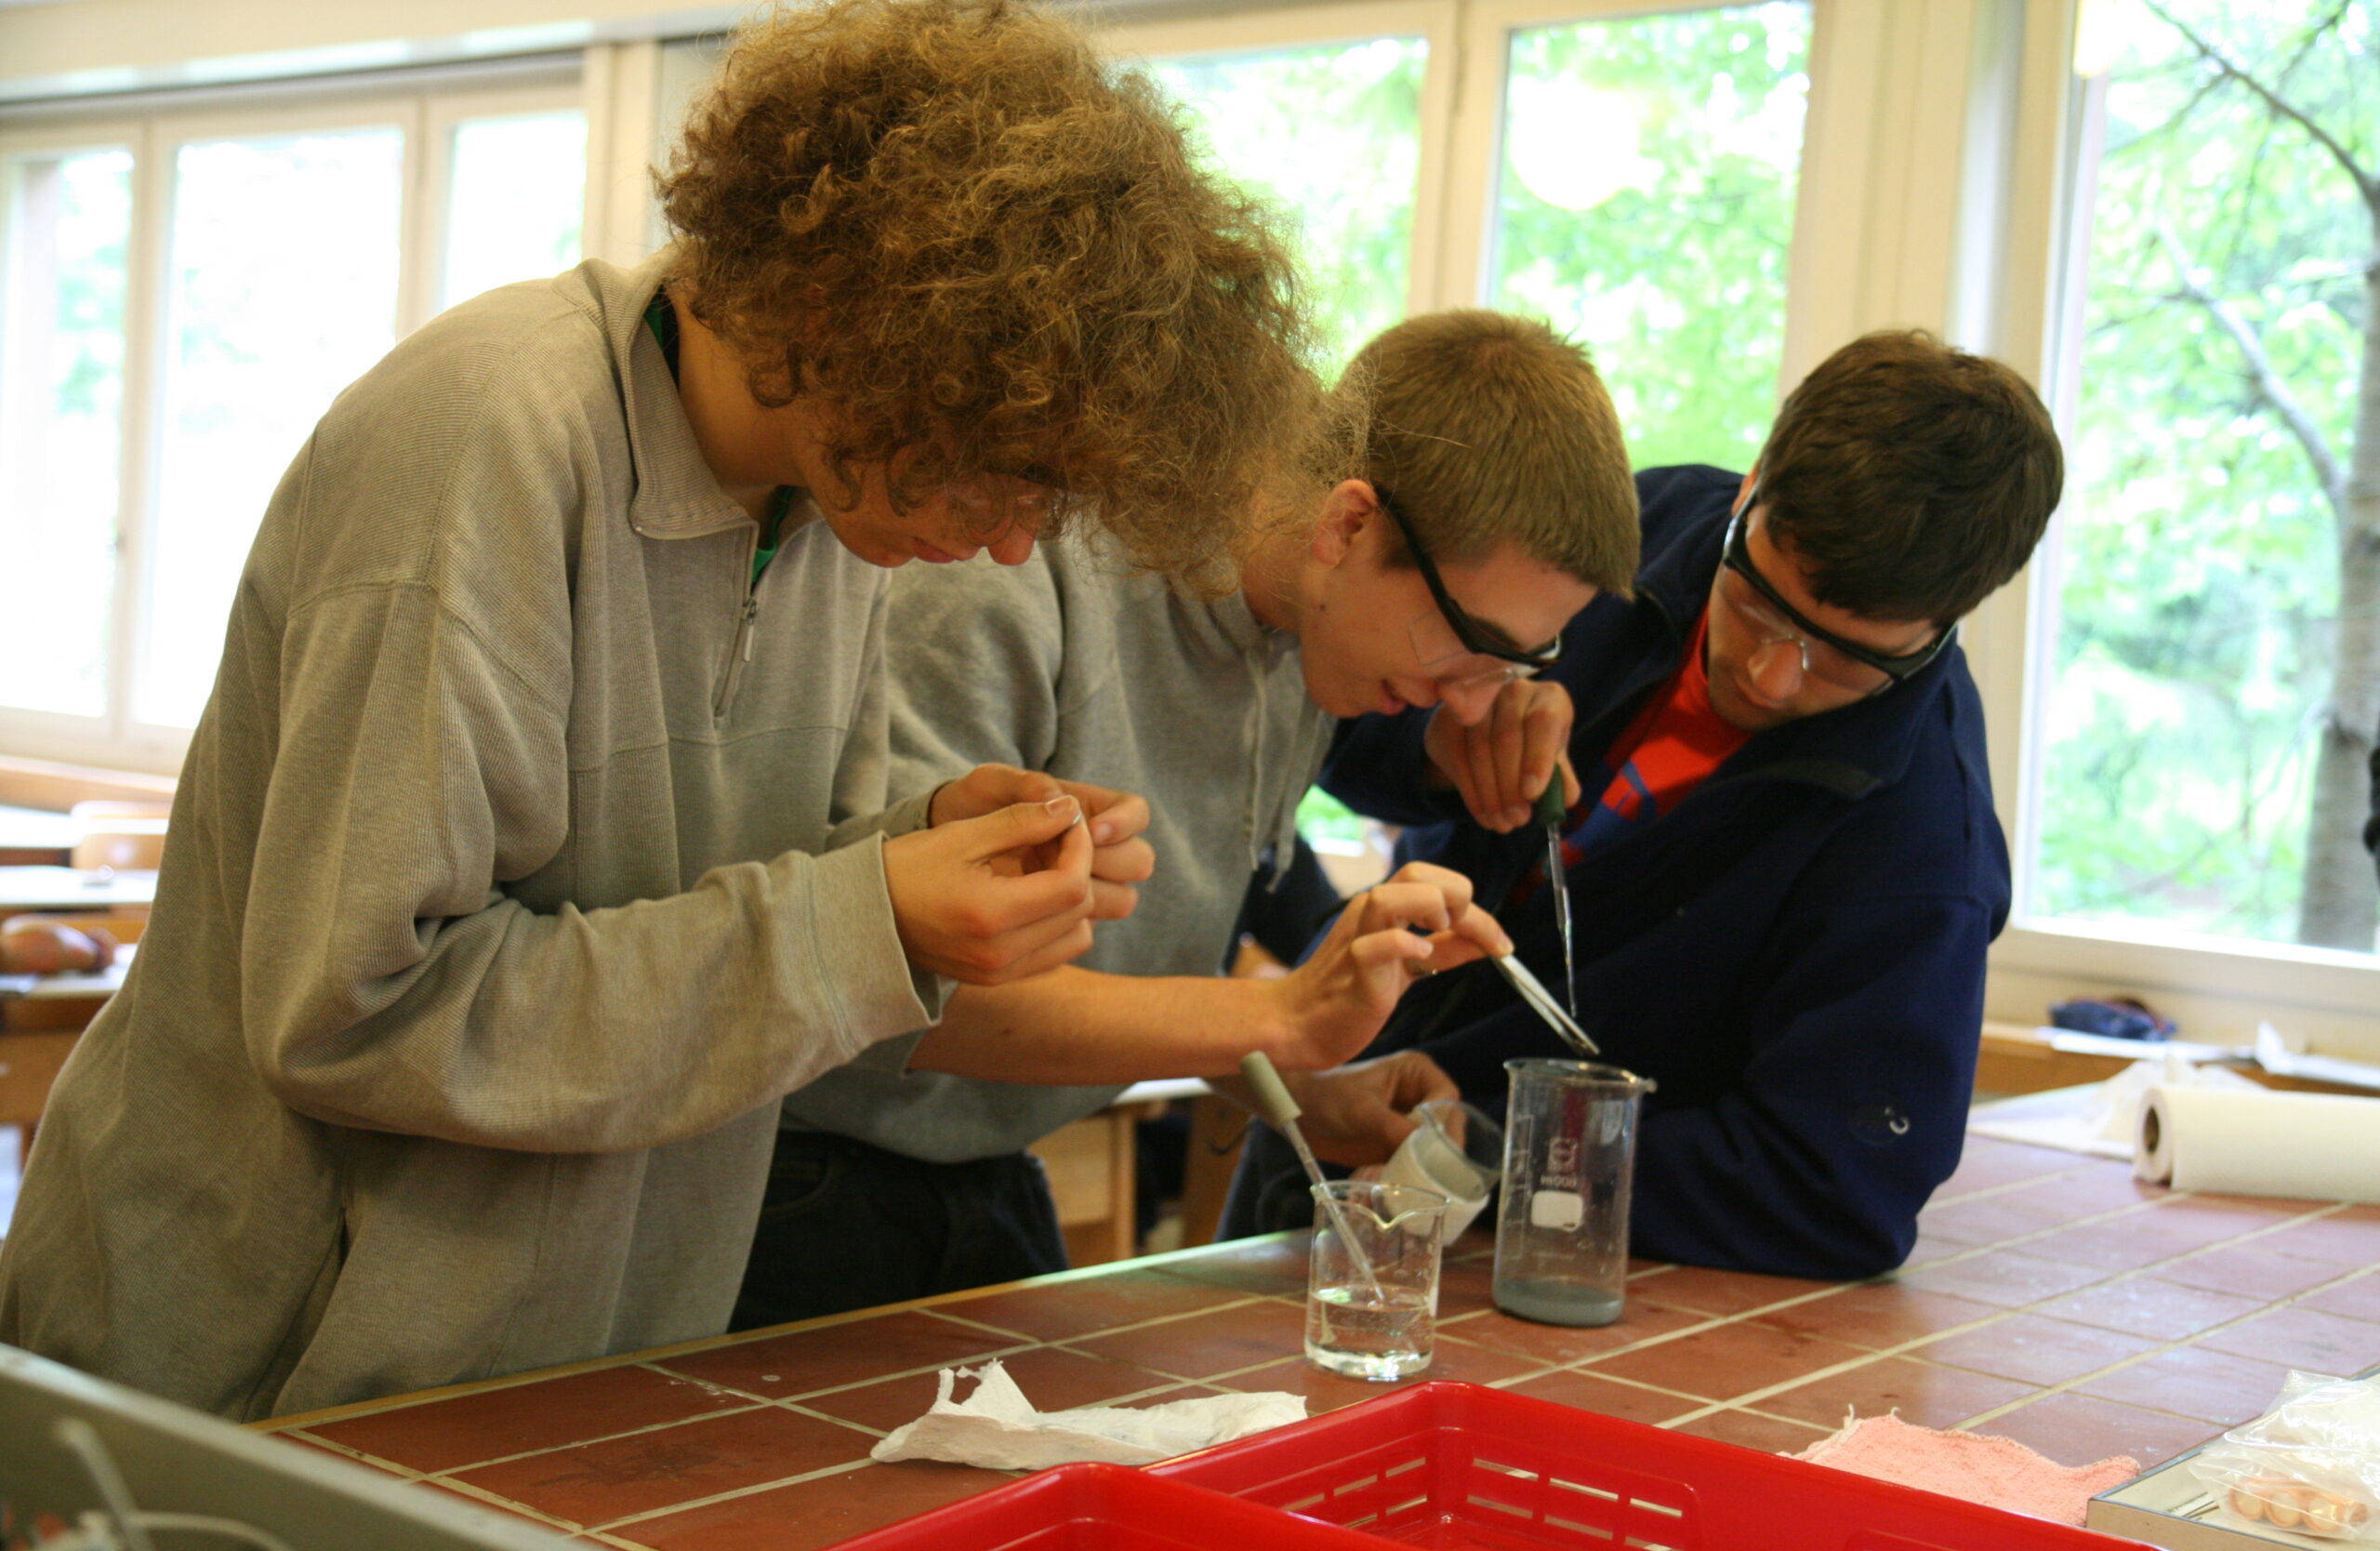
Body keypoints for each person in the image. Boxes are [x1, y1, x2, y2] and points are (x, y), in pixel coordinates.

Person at [0, 0, 1335, 1418]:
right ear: (860, 327)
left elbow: (712, 906)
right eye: (1002, 470)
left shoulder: (825, 514)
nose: (1014, 543)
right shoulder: (485, 442)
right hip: (258, 1374)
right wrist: (863, 918)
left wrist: (914, 851)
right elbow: (358, 1011)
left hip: (556, 1356)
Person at [733, 309, 1641, 1327]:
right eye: (1471, 643)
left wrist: (1286, 1081)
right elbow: (896, 985)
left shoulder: (1303, 642)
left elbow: (1129, 979)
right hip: (780, 1181)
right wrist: (1284, 1020)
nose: (1475, 704)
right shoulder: (1014, 578)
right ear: (1348, 526)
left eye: (1520, 662)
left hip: (980, 1166)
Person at [1226, 328, 2064, 1281]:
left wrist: (1510, 1151)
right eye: (1758, 605)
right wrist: (1435, 745)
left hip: (1530, 1262)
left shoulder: (1919, 839)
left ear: (1946, 621)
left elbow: (1840, 1190)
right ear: (1752, 488)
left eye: (1845, 659)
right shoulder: (1633, 531)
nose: (1771, 676)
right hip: (1317, 1126)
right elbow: (1334, 690)